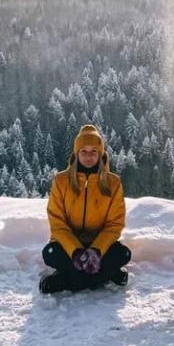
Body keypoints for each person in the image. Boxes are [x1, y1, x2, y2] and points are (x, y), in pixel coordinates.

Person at [39, 123, 132, 295]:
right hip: (68, 247)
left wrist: (96, 251)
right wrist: (76, 252)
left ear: (100, 154)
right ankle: (106, 274)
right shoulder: (61, 181)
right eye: (84, 151)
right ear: (76, 153)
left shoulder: (113, 183)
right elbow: (57, 224)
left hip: (100, 246)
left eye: (93, 152)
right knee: (50, 254)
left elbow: (114, 224)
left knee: (123, 254)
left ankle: (65, 281)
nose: (88, 157)